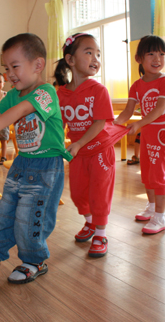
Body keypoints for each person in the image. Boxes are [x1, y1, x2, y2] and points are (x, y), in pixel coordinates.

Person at [0, 33, 72, 284]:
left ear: (38, 65)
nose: (9, 74)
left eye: (15, 66)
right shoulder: (12, 94)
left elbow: (21, 110)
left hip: (45, 166)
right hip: (21, 164)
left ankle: (34, 261)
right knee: (4, 215)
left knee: (30, 217)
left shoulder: (46, 92)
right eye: (6, 68)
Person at [55, 33, 123, 257]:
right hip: (77, 154)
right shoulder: (61, 94)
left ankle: (101, 233)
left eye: (98, 54)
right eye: (89, 52)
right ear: (70, 60)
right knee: (78, 194)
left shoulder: (98, 90)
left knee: (99, 193)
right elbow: (60, 123)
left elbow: (99, 122)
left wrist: (79, 142)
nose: (96, 58)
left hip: (100, 152)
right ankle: (90, 222)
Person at [114, 35, 165, 234]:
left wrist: (139, 124)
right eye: (151, 54)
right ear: (139, 58)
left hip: (161, 132)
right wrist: (113, 124)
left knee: (158, 174)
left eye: (161, 54)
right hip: (147, 132)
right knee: (147, 172)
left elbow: (159, 109)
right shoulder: (136, 85)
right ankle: (151, 208)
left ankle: (160, 217)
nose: (157, 58)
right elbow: (127, 112)